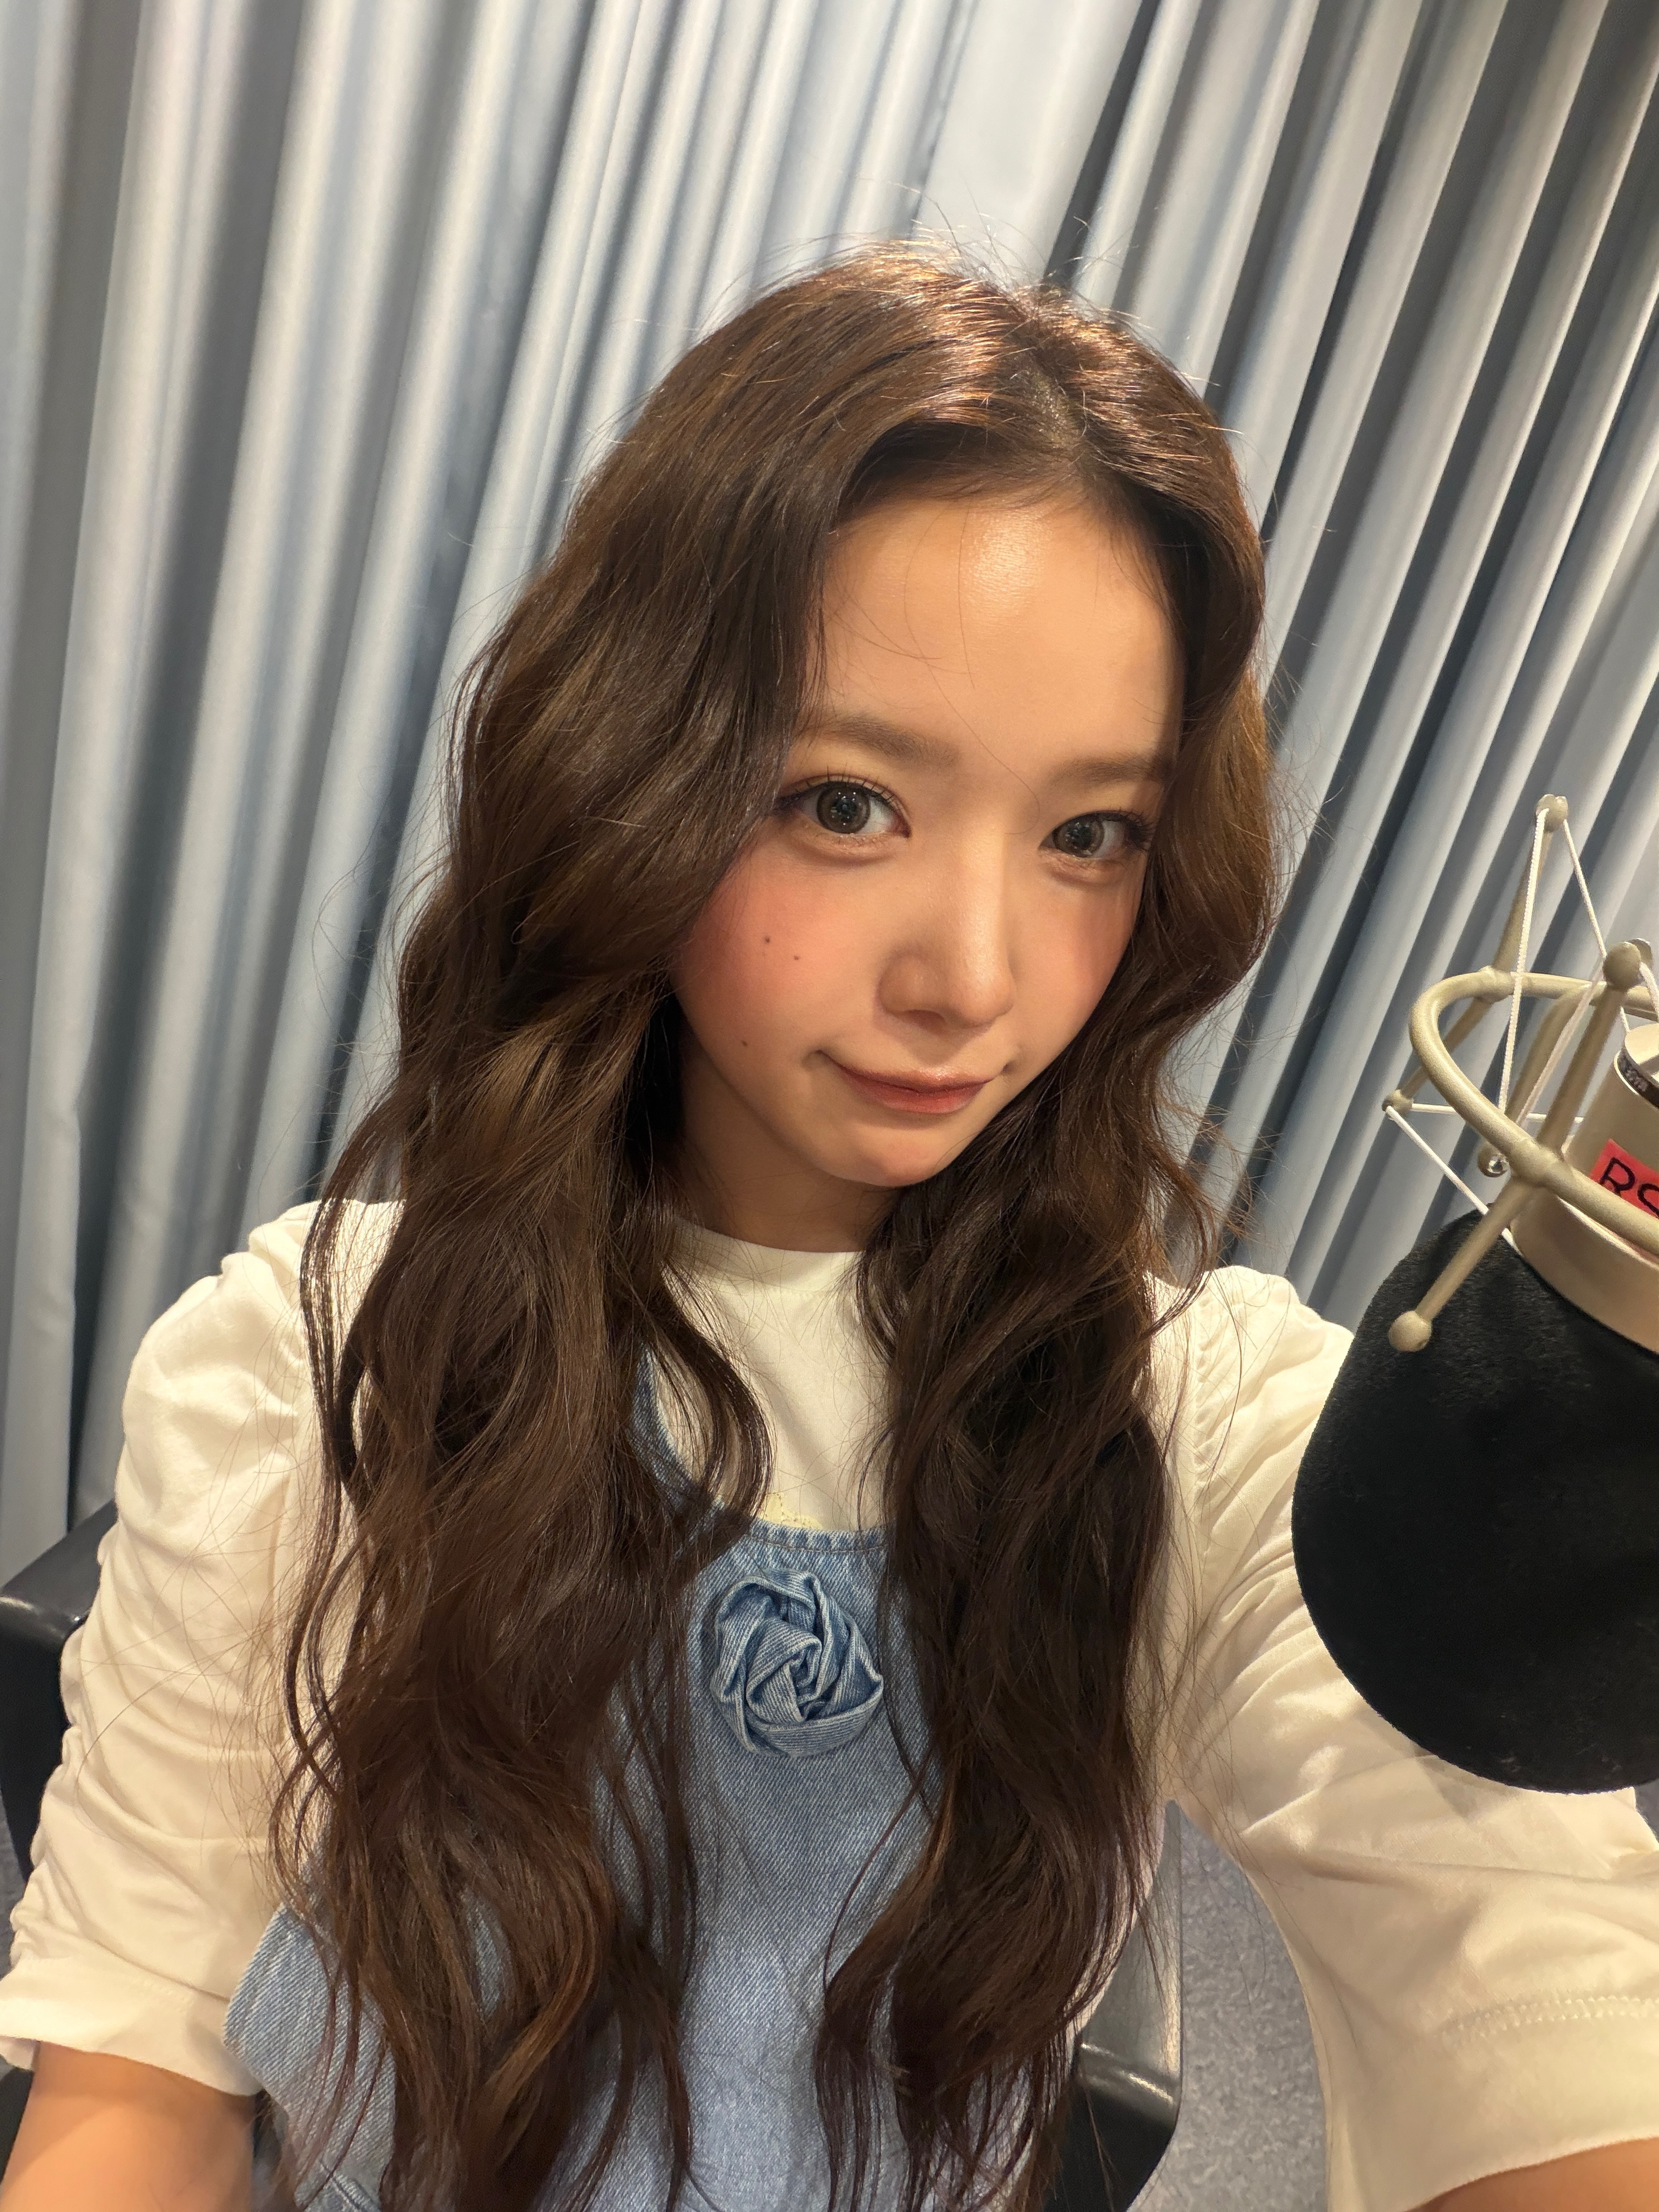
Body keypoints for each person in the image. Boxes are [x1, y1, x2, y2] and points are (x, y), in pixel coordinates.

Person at [1, 247, 1657, 2212]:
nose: (975, 977)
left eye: (1089, 835)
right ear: (635, 770)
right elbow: (142, 2081)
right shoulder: (303, 1362)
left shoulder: (1187, 1422)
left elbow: (1527, 1986)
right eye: (848, 803)